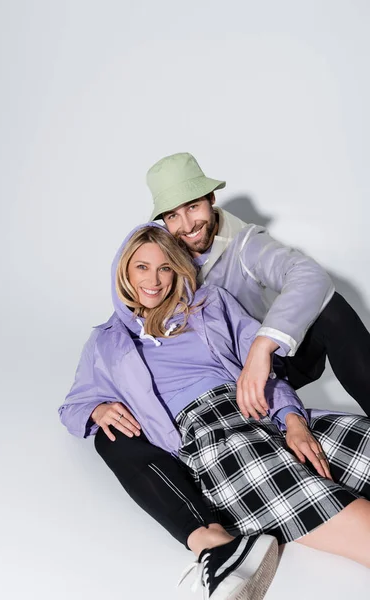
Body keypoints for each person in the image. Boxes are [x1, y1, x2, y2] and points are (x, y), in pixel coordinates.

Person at [59, 224, 370, 600]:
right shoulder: (106, 342)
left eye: (164, 268)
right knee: (344, 515)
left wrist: (292, 419)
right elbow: (73, 405)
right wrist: (98, 408)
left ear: (177, 269)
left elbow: (261, 372)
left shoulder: (212, 304)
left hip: (258, 408)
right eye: (141, 267)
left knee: (358, 439)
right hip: (212, 437)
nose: (153, 280)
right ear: (123, 272)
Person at [92, 152, 370, 557]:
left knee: (331, 309)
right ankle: (206, 530)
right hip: (220, 406)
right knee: (112, 436)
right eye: (173, 215)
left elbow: (309, 276)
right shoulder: (137, 302)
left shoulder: (242, 249)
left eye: (193, 206)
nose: (187, 225)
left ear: (211, 200)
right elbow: (89, 390)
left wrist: (263, 349)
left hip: (269, 366)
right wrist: (101, 404)